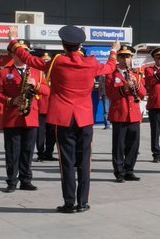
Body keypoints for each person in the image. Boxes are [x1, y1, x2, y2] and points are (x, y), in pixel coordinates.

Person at [10, 27, 119, 213]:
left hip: (64, 117)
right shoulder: (91, 63)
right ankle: (82, 202)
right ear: (80, 45)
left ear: (63, 45)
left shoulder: (57, 62)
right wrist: (113, 51)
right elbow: (110, 67)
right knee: (85, 161)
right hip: (84, 118)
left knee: (66, 162)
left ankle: (69, 203)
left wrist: (14, 42)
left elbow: (30, 59)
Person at [0, 45, 42, 193]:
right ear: (12, 55)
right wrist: (10, 100)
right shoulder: (4, 72)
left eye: (24, 52)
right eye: (17, 53)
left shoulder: (37, 72)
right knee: (12, 152)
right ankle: (12, 181)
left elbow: (47, 90)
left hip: (31, 117)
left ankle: (26, 180)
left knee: (28, 151)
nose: (21, 55)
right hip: (12, 117)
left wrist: (36, 85)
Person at [104, 45, 145, 183]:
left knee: (133, 145)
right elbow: (110, 94)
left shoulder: (136, 74)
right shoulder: (111, 74)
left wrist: (136, 85)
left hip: (134, 114)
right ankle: (119, 172)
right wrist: (124, 88)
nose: (126, 59)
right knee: (119, 146)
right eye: (122, 56)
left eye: (128, 56)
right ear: (118, 58)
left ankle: (129, 170)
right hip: (119, 114)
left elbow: (143, 93)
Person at [34, 54, 55, 161]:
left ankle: (49, 153)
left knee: (52, 133)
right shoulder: (37, 74)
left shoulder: (55, 73)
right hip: (41, 106)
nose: (46, 63)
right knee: (40, 132)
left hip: (53, 107)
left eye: (48, 61)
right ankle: (40, 153)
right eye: (44, 61)